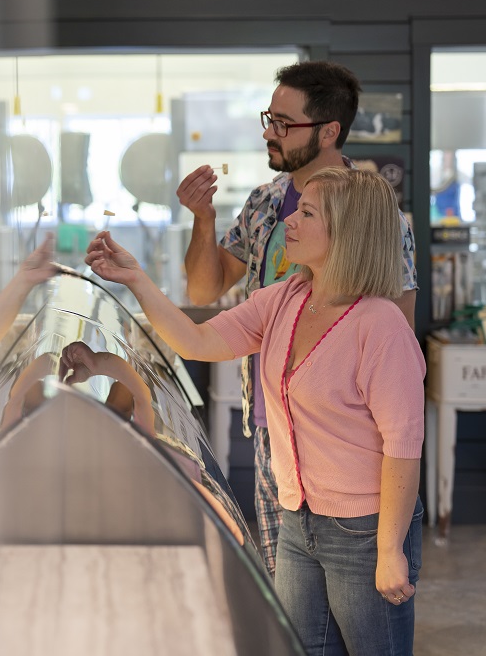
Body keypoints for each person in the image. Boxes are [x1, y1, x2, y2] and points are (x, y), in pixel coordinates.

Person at [86, 167, 424, 654]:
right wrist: (135, 279)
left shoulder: (382, 325)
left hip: (365, 529)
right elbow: (197, 341)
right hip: (297, 519)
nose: (291, 220)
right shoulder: (285, 299)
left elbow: (404, 446)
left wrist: (390, 549)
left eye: (306, 212)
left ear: (346, 230)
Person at [174, 60, 417, 576]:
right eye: (269, 118)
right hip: (270, 423)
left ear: (330, 131)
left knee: (355, 583)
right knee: (287, 582)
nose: (269, 133)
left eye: (284, 123)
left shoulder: (374, 213)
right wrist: (203, 219)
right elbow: (203, 288)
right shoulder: (263, 205)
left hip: (345, 439)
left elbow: (398, 333)